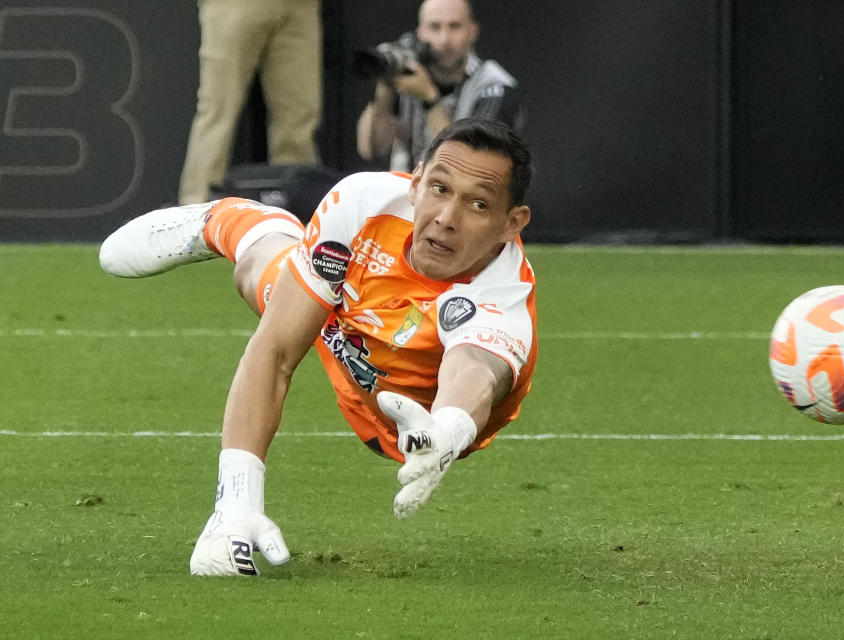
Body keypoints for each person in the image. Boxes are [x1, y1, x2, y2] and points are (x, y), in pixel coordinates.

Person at [99, 118, 537, 576]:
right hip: (347, 330)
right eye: (439, 189)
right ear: (415, 182)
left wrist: (448, 429)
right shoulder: (362, 203)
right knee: (263, 286)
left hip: (419, 403)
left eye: (478, 204)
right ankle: (231, 223)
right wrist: (235, 504)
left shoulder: (501, 296)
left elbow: (474, 371)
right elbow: (274, 352)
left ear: (512, 224)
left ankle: (264, 232)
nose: (446, 218)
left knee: (290, 292)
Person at [178, 0, 323, 205]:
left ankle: (302, 213)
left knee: (299, 119)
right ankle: (194, 214)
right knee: (219, 111)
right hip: (235, 5)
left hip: (300, 7)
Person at [356, 0, 522, 172]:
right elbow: (371, 150)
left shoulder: (494, 87)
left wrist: (429, 99)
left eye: (455, 26)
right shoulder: (408, 72)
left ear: (473, 32)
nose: (445, 39)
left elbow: (470, 166)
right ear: (420, 34)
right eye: (434, 27)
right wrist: (385, 88)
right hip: (406, 192)